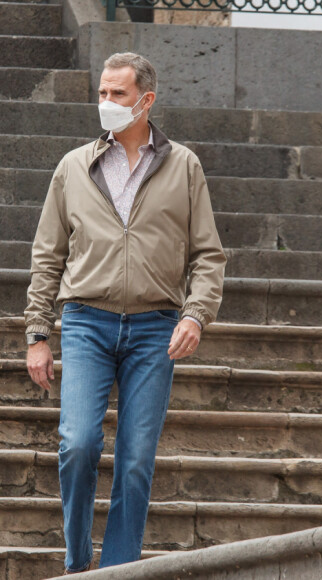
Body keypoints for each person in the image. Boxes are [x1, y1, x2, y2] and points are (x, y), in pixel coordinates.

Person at [24, 52, 227, 573]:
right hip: (88, 322)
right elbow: (48, 253)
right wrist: (37, 332)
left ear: (146, 100)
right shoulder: (74, 166)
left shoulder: (183, 165)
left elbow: (207, 254)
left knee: (136, 461)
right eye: (102, 93)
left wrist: (195, 315)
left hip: (156, 328)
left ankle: (118, 569)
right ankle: (76, 562)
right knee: (78, 443)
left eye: (118, 94)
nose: (107, 103)